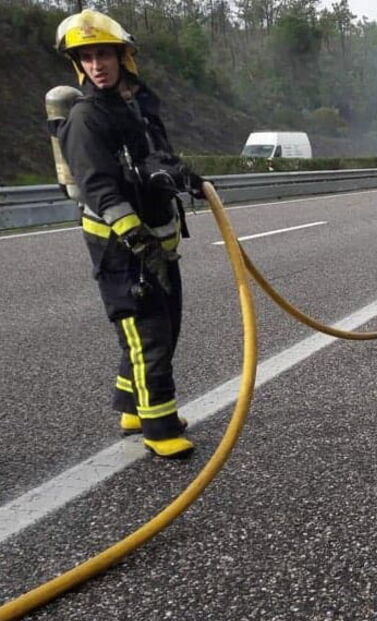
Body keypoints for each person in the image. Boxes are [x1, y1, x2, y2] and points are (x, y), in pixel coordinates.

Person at [55, 9, 201, 458]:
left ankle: (133, 407)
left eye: (104, 55)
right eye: (88, 58)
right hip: (123, 251)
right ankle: (159, 429)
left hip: (157, 243)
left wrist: (185, 176)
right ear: (79, 65)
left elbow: (156, 158)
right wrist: (135, 238)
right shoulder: (85, 119)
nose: (97, 65)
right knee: (148, 334)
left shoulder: (136, 108)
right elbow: (98, 186)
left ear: (123, 57)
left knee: (163, 327)